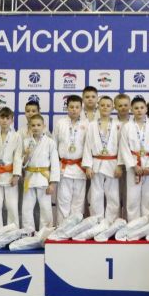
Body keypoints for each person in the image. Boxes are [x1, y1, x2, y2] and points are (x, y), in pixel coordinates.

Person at [119, 96, 149, 221]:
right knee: (132, 197)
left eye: (142, 107)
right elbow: (124, 147)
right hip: (134, 164)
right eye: (136, 108)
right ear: (131, 109)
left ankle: (147, 225)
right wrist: (133, 165)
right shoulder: (127, 126)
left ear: (146, 109)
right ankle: (133, 225)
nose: (139, 110)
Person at [83, 96, 122, 223]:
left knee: (113, 195)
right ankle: (97, 221)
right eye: (102, 105)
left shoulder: (118, 125)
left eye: (108, 105)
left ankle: (111, 222)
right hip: (96, 163)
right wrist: (88, 166)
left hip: (113, 163)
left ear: (113, 107)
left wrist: (120, 165)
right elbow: (87, 146)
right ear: (98, 106)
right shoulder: (92, 125)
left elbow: (122, 147)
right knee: (95, 194)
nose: (105, 107)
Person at [21, 114, 60, 231]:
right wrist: (27, 155)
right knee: (26, 208)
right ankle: (28, 231)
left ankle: (45, 231)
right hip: (29, 178)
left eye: (38, 125)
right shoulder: (25, 142)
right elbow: (21, 163)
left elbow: (55, 163)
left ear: (44, 126)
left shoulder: (50, 142)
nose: (36, 127)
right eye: (33, 125)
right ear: (29, 126)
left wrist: (53, 183)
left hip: (44, 178)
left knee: (45, 208)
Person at [55, 95, 89, 223]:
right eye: (71, 107)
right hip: (64, 167)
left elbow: (89, 147)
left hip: (80, 167)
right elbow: (54, 145)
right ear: (67, 108)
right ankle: (61, 227)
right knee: (63, 200)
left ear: (81, 108)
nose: (74, 109)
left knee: (78, 202)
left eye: (77, 107)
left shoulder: (87, 124)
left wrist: (88, 165)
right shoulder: (60, 123)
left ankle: (75, 229)